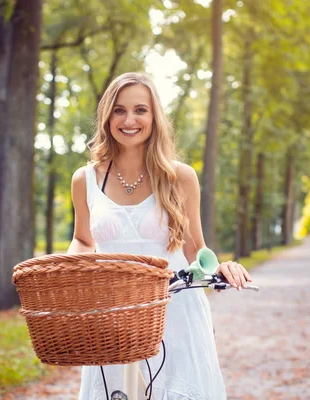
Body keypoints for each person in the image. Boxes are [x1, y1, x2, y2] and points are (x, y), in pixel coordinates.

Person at [68, 72, 252, 399]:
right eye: (119, 110)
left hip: (175, 311)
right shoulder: (85, 179)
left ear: (154, 117)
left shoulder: (180, 177)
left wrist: (220, 266)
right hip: (112, 314)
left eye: (140, 110)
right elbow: (83, 239)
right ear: (107, 116)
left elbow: (195, 245)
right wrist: (68, 269)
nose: (129, 119)